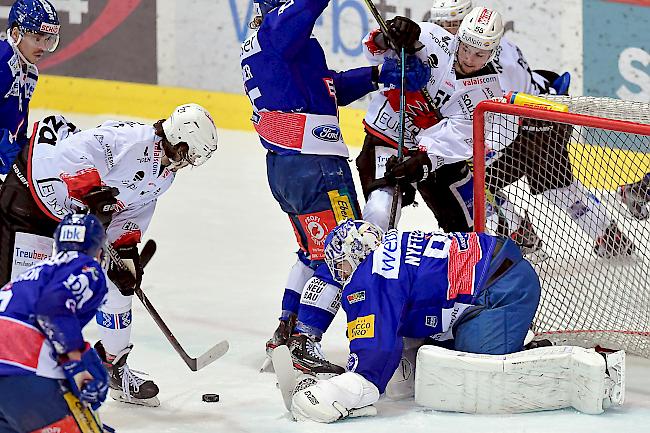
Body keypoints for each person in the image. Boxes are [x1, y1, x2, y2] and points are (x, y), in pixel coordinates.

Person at [241, 0, 425, 375]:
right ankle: (304, 342)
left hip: (287, 166)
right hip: (315, 164)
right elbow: (306, 7)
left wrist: (377, 77)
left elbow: (328, 89)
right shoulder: (277, 32)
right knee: (347, 248)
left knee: (312, 251)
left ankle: (286, 330)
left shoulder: (274, 46)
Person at [288, 220, 625, 422]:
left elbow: (375, 347)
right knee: (434, 356)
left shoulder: (370, 274)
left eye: (341, 267)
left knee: (476, 375)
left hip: (498, 290)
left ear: (351, 258)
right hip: (498, 274)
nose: (342, 276)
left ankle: (593, 366)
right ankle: (513, 338)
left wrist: (350, 388)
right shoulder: (391, 248)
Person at [0, 103, 219, 406]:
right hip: (35, 200)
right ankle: (15, 377)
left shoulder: (165, 176)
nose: (186, 163)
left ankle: (114, 367)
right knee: (22, 296)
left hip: (76, 220)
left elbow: (134, 212)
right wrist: (92, 191)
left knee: (118, 287)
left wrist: (126, 250)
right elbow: (71, 154)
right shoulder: (130, 140)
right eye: (189, 155)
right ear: (180, 141)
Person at [428, 1, 633, 259]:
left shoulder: (491, 61)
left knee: (474, 177)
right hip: (534, 120)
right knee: (543, 183)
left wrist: (465, 152)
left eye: (453, 24)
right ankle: (606, 236)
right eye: (442, 24)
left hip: (537, 123)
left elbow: (500, 119)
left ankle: (521, 233)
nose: (447, 30)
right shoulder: (469, 50)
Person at [357, 6, 504, 234]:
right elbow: (371, 51)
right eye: (465, 48)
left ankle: (470, 265)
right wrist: (387, 37)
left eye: (479, 54)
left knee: (467, 227)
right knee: (380, 212)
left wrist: (423, 164)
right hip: (389, 135)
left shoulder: (486, 93)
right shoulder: (429, 36)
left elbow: (460, 140)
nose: (468, 58)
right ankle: (371, 263)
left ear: (492, 53)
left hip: (435, 157)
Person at [0, 213, 110, 433]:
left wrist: (83, 355)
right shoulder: (86, 267)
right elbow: (52, 309)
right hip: (23, 367)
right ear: (98, 250)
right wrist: (77, 365)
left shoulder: (33, 273)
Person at [0, 0, 60, 180]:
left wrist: (26, 152)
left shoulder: (30, 72)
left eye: (48, 40)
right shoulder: (2, 60)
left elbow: (18, 127)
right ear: (16, 33)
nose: (43, 47)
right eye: (37, 38)